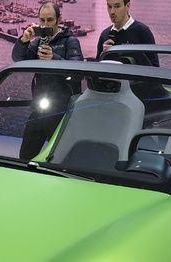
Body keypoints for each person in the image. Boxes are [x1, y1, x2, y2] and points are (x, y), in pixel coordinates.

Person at [11, 1, 83, 161]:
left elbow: (78, 72)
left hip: (61, 111)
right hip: (39, 108)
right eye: (42, 20)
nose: (45, 24)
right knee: (25, 157)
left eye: (49, 20)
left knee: (58, 159)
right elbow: (18, 59)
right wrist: (23, 40)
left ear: (59, 20)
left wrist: (54, 58)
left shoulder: (70, 41)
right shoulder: (38, 42)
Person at [95, 0, 158, 66]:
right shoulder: (105, 35)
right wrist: (103, 55)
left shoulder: (142, 32)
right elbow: (97, 67)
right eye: (109, 7)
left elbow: (154, 68)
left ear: (127, 6)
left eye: (117, 6)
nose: (112, 12)